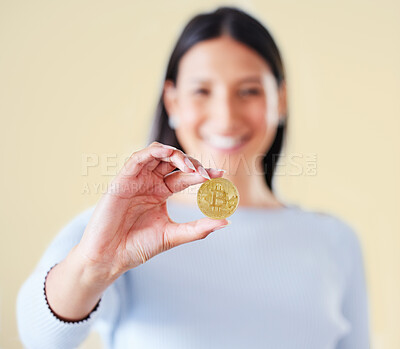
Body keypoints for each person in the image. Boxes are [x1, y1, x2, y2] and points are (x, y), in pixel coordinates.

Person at [17, 6, 370, 349]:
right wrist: (94, 267)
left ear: (281, 98)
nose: (226, 117)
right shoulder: (118, 228)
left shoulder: (335, 241)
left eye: (249, 91)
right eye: (202, 91)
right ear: (172, 103)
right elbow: (39, 337)